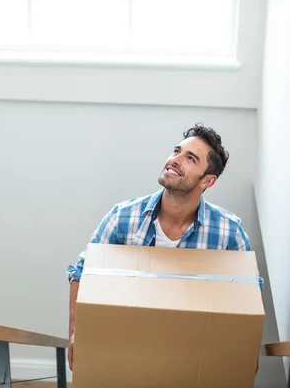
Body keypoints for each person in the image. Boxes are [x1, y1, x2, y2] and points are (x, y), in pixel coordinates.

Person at [65, 123, 263, 370]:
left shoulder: (228, 232)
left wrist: (248, 347)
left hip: (191, 355)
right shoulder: (123, 217)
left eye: (190, 158)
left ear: (208, 180)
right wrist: (76, 332)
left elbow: (250, 291)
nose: (174, 160)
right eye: (176, 151)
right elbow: (82, 273)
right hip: (127, 347)